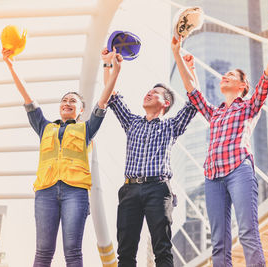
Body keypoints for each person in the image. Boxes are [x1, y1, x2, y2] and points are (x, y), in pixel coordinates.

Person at [171, 12, 268, 267]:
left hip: (239, 171)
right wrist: (177, 54)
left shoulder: (249, 106)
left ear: (243, 86)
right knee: (219, 242)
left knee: (247, 233)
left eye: (231, 75)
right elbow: (192, 91)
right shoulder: (215, 112)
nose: (224, 77)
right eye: (224, 75)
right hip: (212, 177)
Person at [2, 48, 122, 267]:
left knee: (73, 252)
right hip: (45, 191)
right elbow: (28, 97)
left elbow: (103, 101)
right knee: (43, 251)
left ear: (81, 110)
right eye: (64, 100)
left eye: (73, 101)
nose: (67, 102)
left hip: (74, 193)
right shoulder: (43, 126)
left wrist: (113, 70)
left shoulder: (87, 129)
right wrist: (11, 65)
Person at [101, 47, 197, 267]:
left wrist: (191, 70)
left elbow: (194, 103)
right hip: (130, 189)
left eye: (155, 93)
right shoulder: (132, 122)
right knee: (125, 252)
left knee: (162, 249)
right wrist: (108, 64)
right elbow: (111, 96)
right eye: (148, 91)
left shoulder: (171, 126)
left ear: (165, 103)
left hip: (158, 189)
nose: (149, 93)